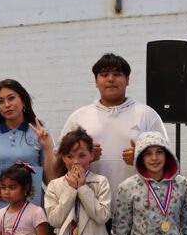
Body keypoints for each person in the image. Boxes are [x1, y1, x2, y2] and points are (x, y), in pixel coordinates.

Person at [59, 53, 167, 212]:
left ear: (128, 80)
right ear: (96, 81)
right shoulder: (79, 117)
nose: (110, 79)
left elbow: (168, 160)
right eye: (104, 75)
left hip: (138, 208)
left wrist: (141, 158)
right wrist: (84, 157)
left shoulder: (147, 115)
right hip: (90, 208)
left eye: (117, 74)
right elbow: (61, 160)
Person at [0, 79, 56, 235]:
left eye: (11, 98)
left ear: (23, 101)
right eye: (0, 101)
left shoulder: (40, 132)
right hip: (0, 204)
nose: (6, 105)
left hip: (33, 204)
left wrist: (47, 147)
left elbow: (50, 179)